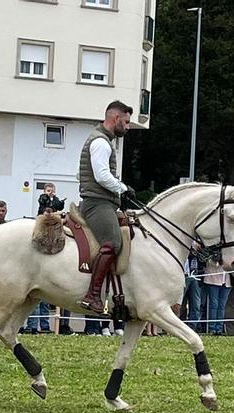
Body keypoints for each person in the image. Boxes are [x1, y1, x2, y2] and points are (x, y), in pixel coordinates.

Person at [76, 100, 136, 313]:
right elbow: (102, 176)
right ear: (116, 117)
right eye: (126, 122)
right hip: (97, 203)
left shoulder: (103, 140)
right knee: (113, 243)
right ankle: (92, 296)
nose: (127, 127)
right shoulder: (101, 142)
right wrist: (122, 188)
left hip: (103, 201)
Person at [182, 241, 204, 332]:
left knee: (196, 303)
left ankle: (192, 327)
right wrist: (191, 250)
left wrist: (198, 251)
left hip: (196, 277)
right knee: (181, 302)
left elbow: (203, 260)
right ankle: (180, 324)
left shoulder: (199, 242)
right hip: (185, 275)